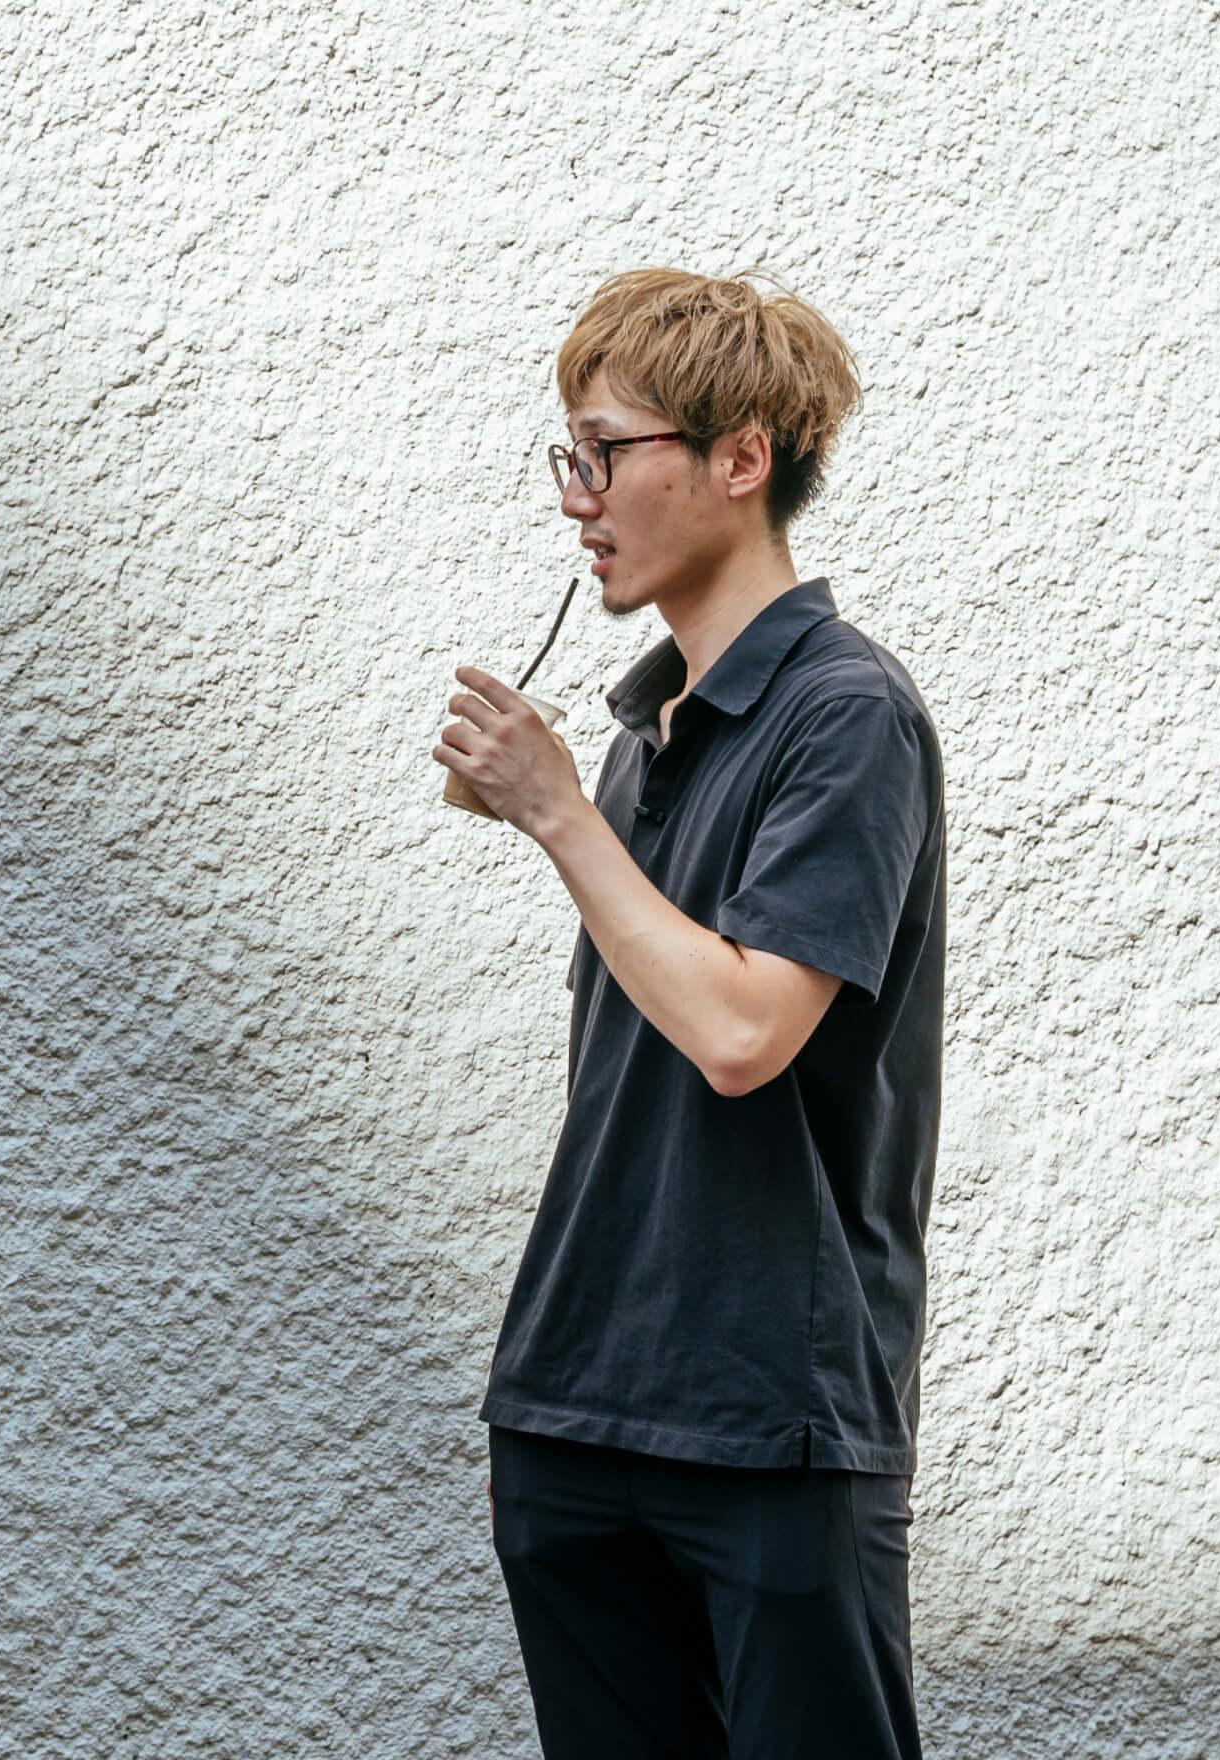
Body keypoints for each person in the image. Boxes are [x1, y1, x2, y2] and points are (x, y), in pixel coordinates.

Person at [436, 270, 944, 1760]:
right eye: (566, 457)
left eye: (606, 452)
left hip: (770, 1417)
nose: (577, 496)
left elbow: (743, 1036)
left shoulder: (848, 713)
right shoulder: (647, 728)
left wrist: (557, 820)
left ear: (743, 458)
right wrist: (574, 804)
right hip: (574, 1402)